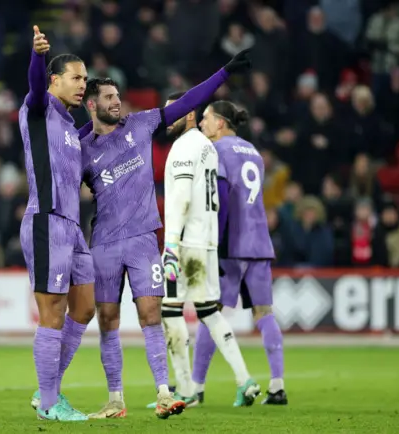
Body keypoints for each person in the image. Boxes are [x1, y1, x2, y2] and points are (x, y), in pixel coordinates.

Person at [79, 50, 251, 419]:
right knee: (107, 319)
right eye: (108, 98)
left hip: (143, 240)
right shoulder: (81, 149)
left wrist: (223, 73)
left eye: (117, 96)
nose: (116, 102)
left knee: (151, 314)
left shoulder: (140, 125)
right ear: (92, 104)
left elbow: (188, 101)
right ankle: (115, 399)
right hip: (104, 243)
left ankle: (163, 392)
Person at [160, 95, 261, 408]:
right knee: (208, 311)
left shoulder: (184, 146)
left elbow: (181, 197)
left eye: (173, 110)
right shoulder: (207, 147)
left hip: (187, 242)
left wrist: (171, 245)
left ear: (189, 115)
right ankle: (245, 379)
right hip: (206, 242)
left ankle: (186, 388)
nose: (168, 116)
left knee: (170, 310)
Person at [19, 26, 95, 421]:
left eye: (85, 79)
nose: (83, 85)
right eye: (77, 78)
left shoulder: (68, 127)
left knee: (84, 310)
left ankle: (46, 388)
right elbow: (33, 86)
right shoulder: (38, 108)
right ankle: (49, 402)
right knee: (52, 313)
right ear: (55, 80)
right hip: (46, 222)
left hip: (73, 227)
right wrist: (36, 55)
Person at [194, 100, 287, 405]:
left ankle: (196, 387)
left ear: (221, 122)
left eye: (206, 118)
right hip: (260, 243)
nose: (200, 123)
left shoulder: (215, 151)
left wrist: (214, 240)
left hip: (231, 243)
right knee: (264, 313)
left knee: (211, 313)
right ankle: (277, 385)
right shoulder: (254, 153)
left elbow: (219, 196)